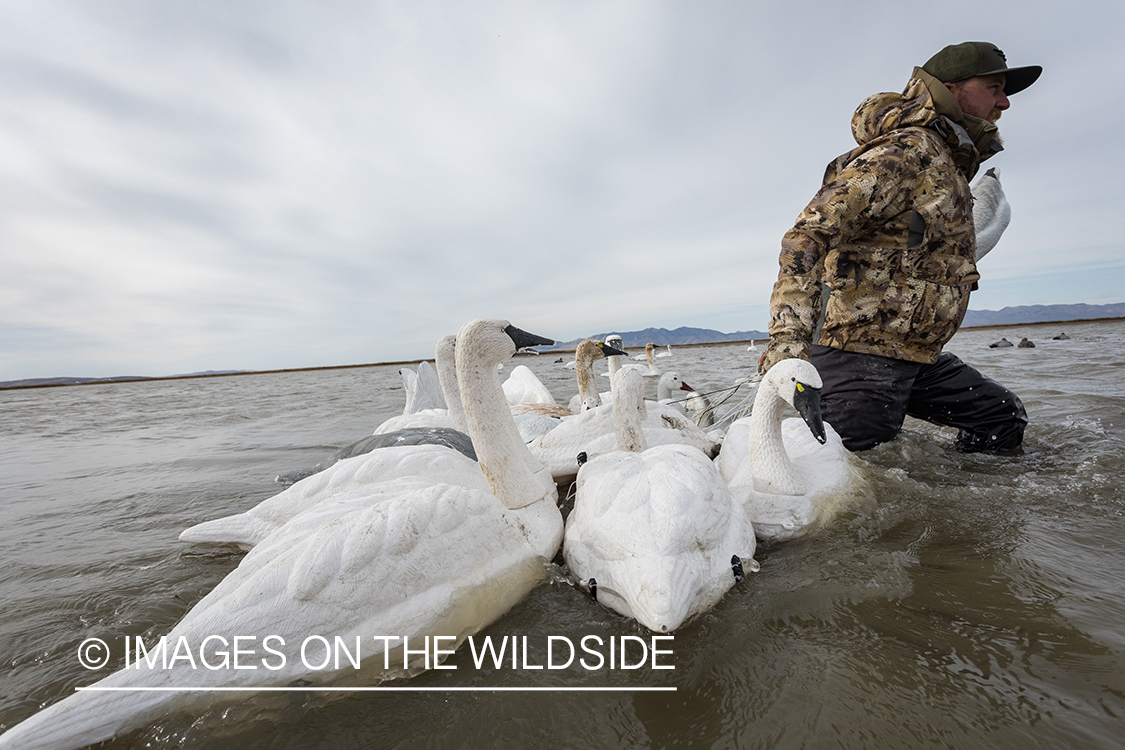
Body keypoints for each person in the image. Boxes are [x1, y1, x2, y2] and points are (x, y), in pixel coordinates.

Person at [759, 42, 1041, 453]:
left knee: (999, 416)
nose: (1004, 102)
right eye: (995, 87)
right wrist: (788, 348)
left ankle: (954, 510)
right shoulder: (905, 153)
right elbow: (807, 236)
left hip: (916, 354)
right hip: (858, 350)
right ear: (951, 88)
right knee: (854, 475)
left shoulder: (950, 162)